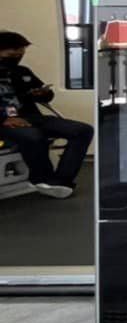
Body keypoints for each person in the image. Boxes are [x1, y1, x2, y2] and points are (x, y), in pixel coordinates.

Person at [0, 31, 93, 199]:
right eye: (13, 54)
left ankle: (60, 181)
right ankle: (42, 178)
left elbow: (46, 96)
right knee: (33, 136)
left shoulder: (22, 71)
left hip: (32, 117)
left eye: (21, 53)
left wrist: (43, 93)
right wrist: (5, 119)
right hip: (4, 122)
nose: (18, 56)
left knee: (83, 130)